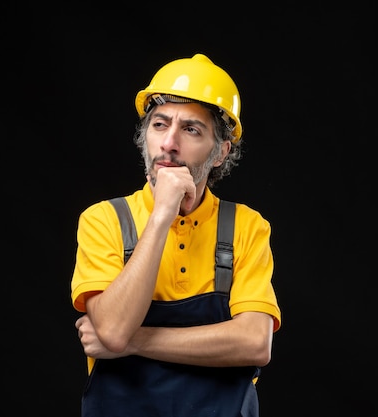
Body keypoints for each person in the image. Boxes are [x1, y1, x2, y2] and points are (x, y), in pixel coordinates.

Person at [71, 53, 282, 417]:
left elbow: (253, 343)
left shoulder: (246, 226)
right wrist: (161, 216)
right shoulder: (104, 219)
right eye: (159, 124)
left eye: (191, 130)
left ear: (220, 153)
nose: (169, 143)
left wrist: (136, 342)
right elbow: (113, 330)